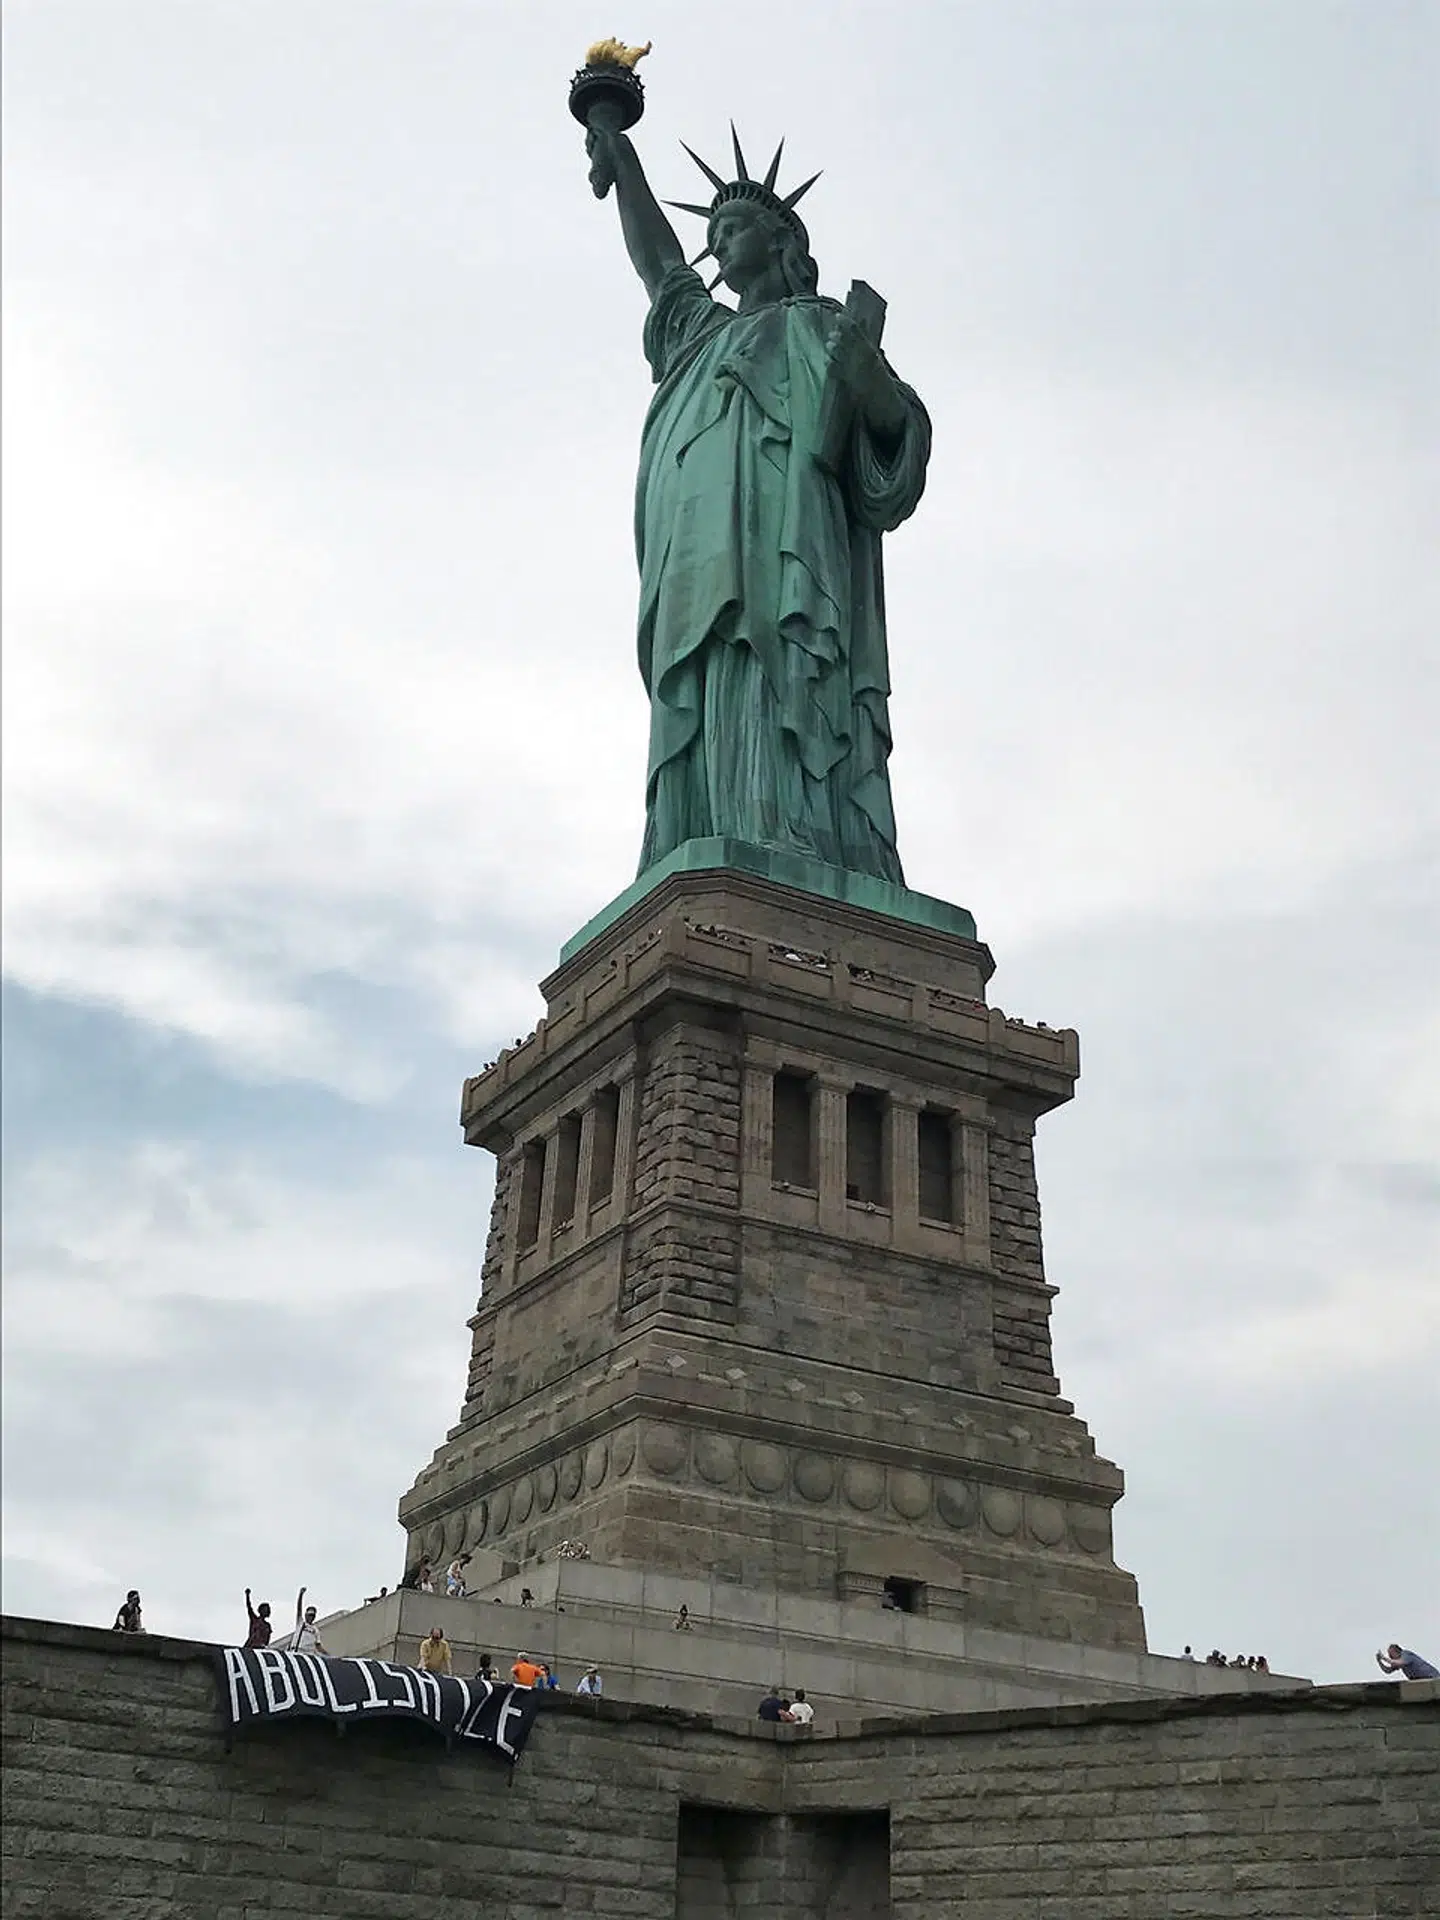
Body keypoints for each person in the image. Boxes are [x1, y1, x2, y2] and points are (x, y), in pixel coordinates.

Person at [582, 116, 930, 884]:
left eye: (735, 226)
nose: (720, 241)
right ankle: (702, 836)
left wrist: (870, 387)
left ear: (780, 241)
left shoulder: (822, 327)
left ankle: (794, 835)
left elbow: (892, 444)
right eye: (716, 229)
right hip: (697, 565)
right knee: (709, 695)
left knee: (775, 680)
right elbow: (661, 267)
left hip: (787, 557)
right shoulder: (698, 337)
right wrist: (625, 162)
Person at [292, 1587, 328, 1656]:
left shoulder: (315, 1630)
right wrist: (301, 1595)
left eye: (313, 1615)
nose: (311, 1617)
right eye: (309, 1615)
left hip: (308, 1654)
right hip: (297, 1651)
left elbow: (318, 1645)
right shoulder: (301, 1623)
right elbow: (299, 1608)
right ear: (306, 1615)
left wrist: (327, 1654)